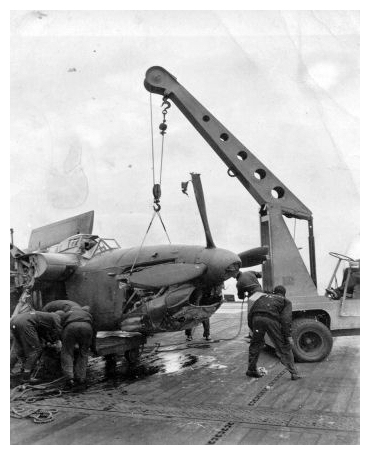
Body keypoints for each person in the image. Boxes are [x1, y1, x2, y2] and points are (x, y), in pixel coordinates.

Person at [246, 285, 301, 381]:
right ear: (284, 294)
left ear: (274, 292)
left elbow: (250, 314)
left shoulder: (262, 297)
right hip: (271, 319)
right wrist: (287, 336)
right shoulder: (285, 301)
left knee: (255, 344)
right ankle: (294, 373)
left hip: (256, 318)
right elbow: (286, 320)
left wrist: (253, 329)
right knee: (283, 346)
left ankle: (251, 370)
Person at [10, 310, 62, 381]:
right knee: (36, 350)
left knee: (19, 348)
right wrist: (58, 340)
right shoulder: (56, 317)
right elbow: (58, 330)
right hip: (26, 323)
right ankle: (26, 376)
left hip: (14, 321)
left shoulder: (43, 317)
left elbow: (42, 332)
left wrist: (49, 341)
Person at [57, 305, 94, 390]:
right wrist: (93, 347)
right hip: (87, 328)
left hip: (70, 328)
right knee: (83, 354)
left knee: (67, 352)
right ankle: (81, 379)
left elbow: (60, 327)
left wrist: (61, 340)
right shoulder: (88, 315)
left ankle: (69, 379)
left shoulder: (68, 313)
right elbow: (94, 330)